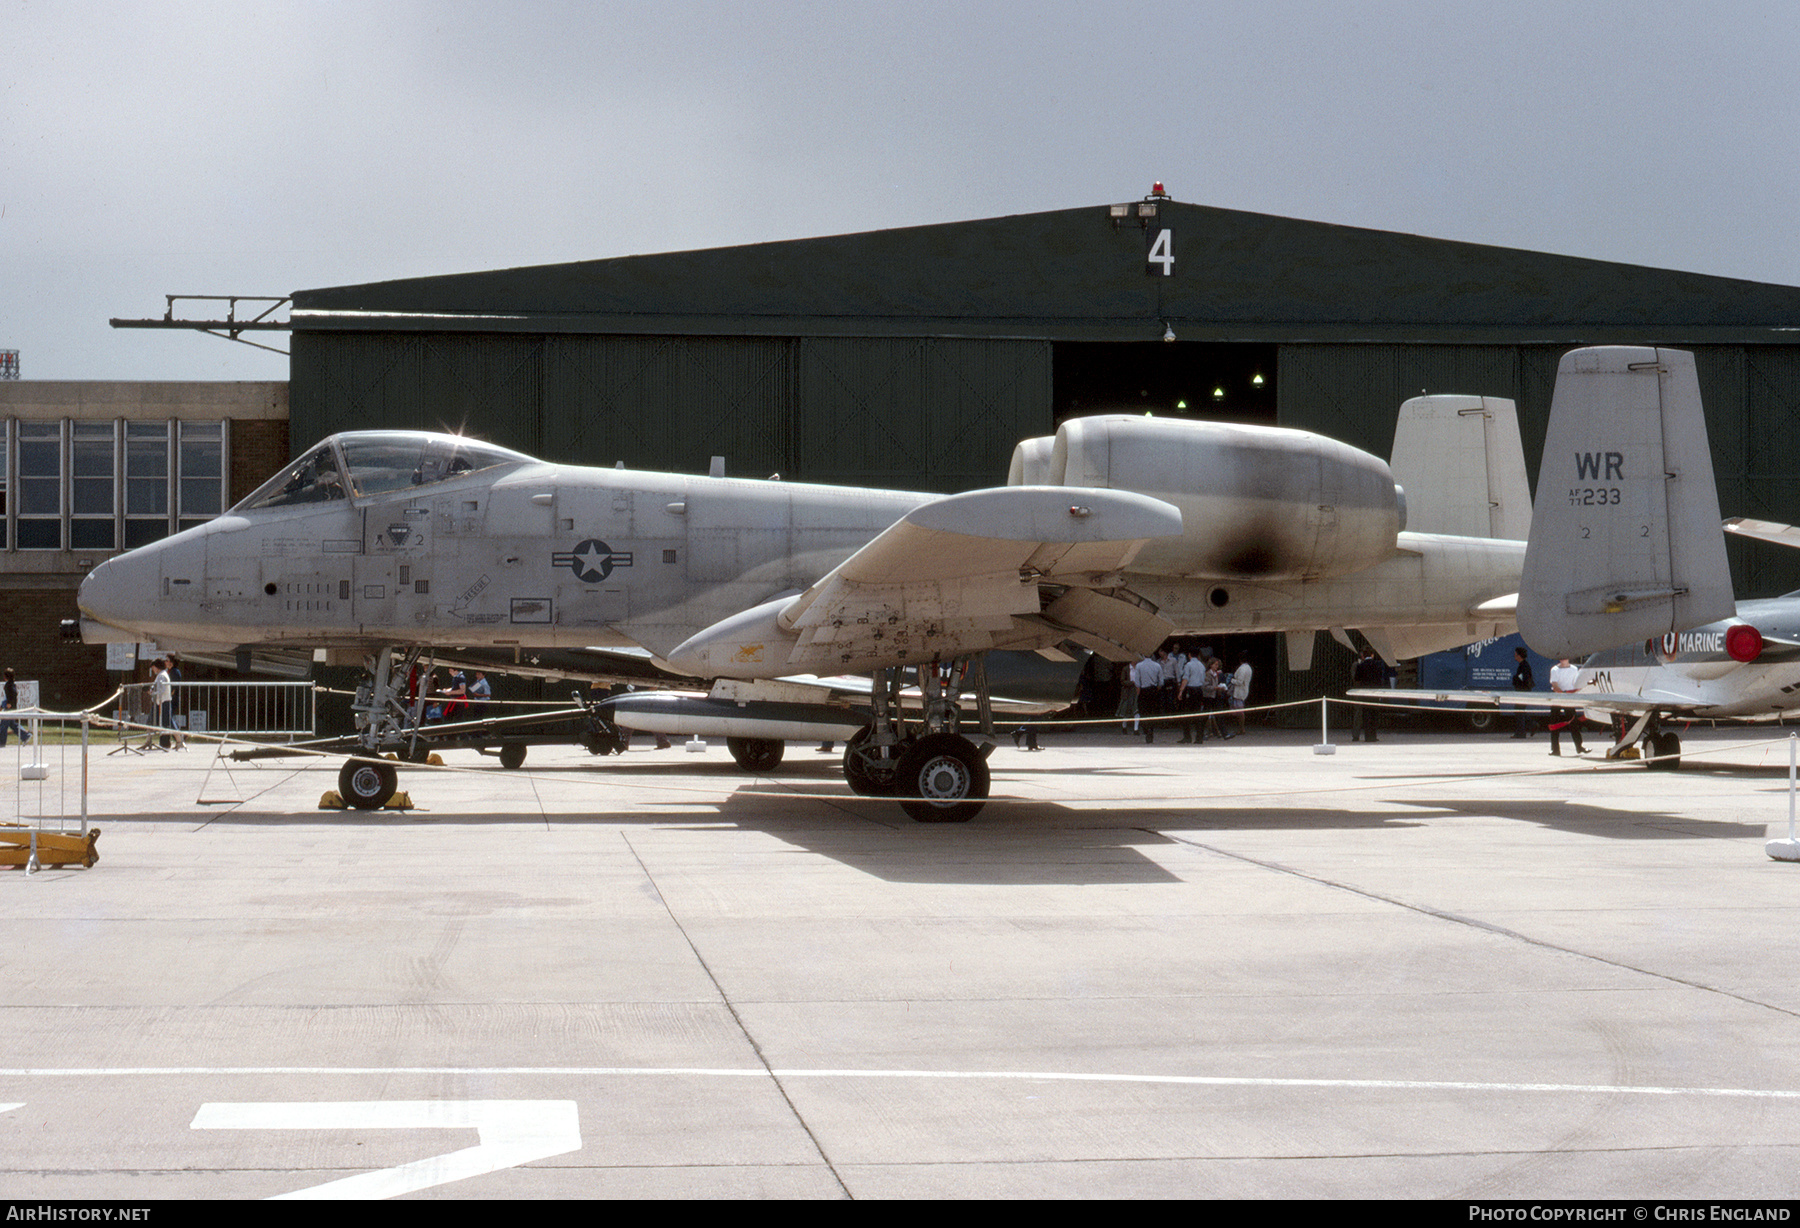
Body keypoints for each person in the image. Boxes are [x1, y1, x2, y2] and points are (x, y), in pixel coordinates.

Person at [1548, 656, 1587, 756]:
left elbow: (1576, 683)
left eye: (1565, 657)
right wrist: (1562, 693)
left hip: (1569, 699)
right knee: (1555, 724)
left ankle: (1579, 747)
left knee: (1573, 723)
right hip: (1557, 698)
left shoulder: (1574, 669)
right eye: (1561, 657)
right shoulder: (1554, 670)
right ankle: (1555, 750)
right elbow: (1555, 685)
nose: (1563, 659)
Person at [1350, 647, 1385, 742]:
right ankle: (1373, 736)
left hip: (1364, 693)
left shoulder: (1360, 666)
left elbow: (1357, 678)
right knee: (1374, 714)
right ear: (1372, 655)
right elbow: (1381, 679)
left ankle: (1367, 736)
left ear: (1363, 656)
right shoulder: (1377, 665)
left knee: (1366, 715)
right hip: (1374, 693)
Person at [1510, 646, 1538, 739]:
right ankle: (1532, 725)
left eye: (1515, 654)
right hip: (1523, 691)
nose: (1514, 655)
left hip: (1523, 692)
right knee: (1519, 710)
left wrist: (1516, 679)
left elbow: (1524, 679)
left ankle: (1521, 732)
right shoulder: (1523, 665)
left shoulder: (1524, 665)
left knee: (1519, 710)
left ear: (1519, 655)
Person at [0, 667, 27, 748]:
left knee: (3, 726)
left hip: (9, 708)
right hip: (10, 707)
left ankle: (1, 743)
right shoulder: (11, 684)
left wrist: (9, 703)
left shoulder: (9, 685)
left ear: (6, 676)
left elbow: (13, 694)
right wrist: (2, 705)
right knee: (12, 724)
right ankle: (25, 735)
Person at [1230, 652, 1254, 736]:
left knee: (1240, 711)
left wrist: (1231, 680)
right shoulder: (1248, 668)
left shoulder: (1242, 669)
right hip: (1243, 690)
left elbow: (1240, 681)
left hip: (1239, 691)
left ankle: (1241, 728)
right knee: (1240, 711)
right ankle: (1240, 728)